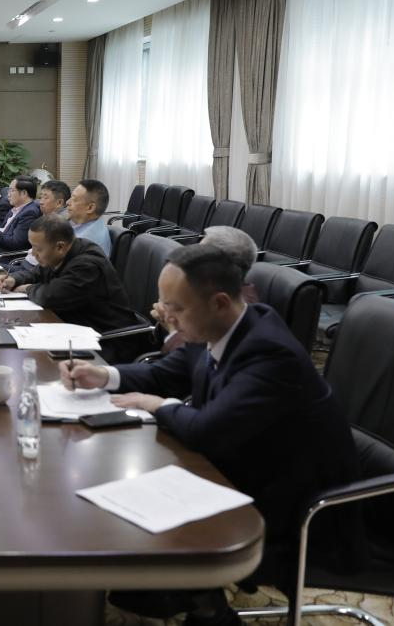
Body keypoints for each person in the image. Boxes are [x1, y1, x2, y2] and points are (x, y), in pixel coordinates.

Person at [61, 245, 358, 624]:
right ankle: (191, 598)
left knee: (134, 508)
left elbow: (206, 431)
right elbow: (165, 372)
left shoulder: (268, 352)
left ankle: (205, 605)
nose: (165, 316)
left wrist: (157, 405)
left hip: (296, 508)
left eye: (176, 308)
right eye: (164, 304)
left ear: (219, 302)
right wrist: (104, 375)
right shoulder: (219, 327)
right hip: (243, 469)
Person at [0, 214, 145, 363]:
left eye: (37, 248)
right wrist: (14, 279)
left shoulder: (87, 264)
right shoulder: (62, 252)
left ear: (60, 247)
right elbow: (36, 273)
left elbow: (50, 296)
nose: (33, 253)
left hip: (107, 341)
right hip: (75, 328)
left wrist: (27, 288)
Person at [152, 225, 260, 351]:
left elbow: (196, 359)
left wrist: (173, 330)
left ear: (217, 265)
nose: (192, 259)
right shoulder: (207, 291)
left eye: (199, 255)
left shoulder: (236, 310)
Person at [0, 175, 41, 259]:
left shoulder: (30, 213)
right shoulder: (14, 210)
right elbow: (3, 232)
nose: (8, 194)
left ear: (24, 193)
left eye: (12, 190)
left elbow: (15, 243)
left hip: (2, 258)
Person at [65, 178, 112, 254]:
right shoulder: (95, 224)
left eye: (74, 199)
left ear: (90, 208)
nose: (67, 202)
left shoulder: (85, 241)